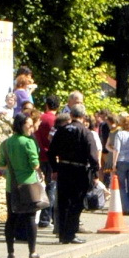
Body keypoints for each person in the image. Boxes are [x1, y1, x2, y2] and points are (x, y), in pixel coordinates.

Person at [48, 103, 100, 244]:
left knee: (63, 202)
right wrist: (95, 173)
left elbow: (51, 152)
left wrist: (55, 168)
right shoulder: (85, 132)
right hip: (79, 171)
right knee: (76, 203)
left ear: (71, 115)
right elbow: (93, 155)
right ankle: (70, 234)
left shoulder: (62, 130)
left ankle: (62, 234)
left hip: (64, 168)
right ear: (83, 116)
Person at [0, 113, 42, 258]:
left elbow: (2, 164)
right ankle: (32, 251)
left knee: (11, 218)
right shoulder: (28, 142)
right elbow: (35, 164)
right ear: (21, 125)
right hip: (28, 184)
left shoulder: (5, 143)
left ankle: (10, 251)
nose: (31, 128)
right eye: (29, 125)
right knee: (30, 217)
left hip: (12, 185)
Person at [34, 95, 59, 229]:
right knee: (52, 187)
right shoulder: (55, 120)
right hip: (51, 156)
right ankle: (46, 218)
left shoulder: (41, 118)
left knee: (44, 186)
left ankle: (49, 217)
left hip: (39, 155)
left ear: (46, 105)